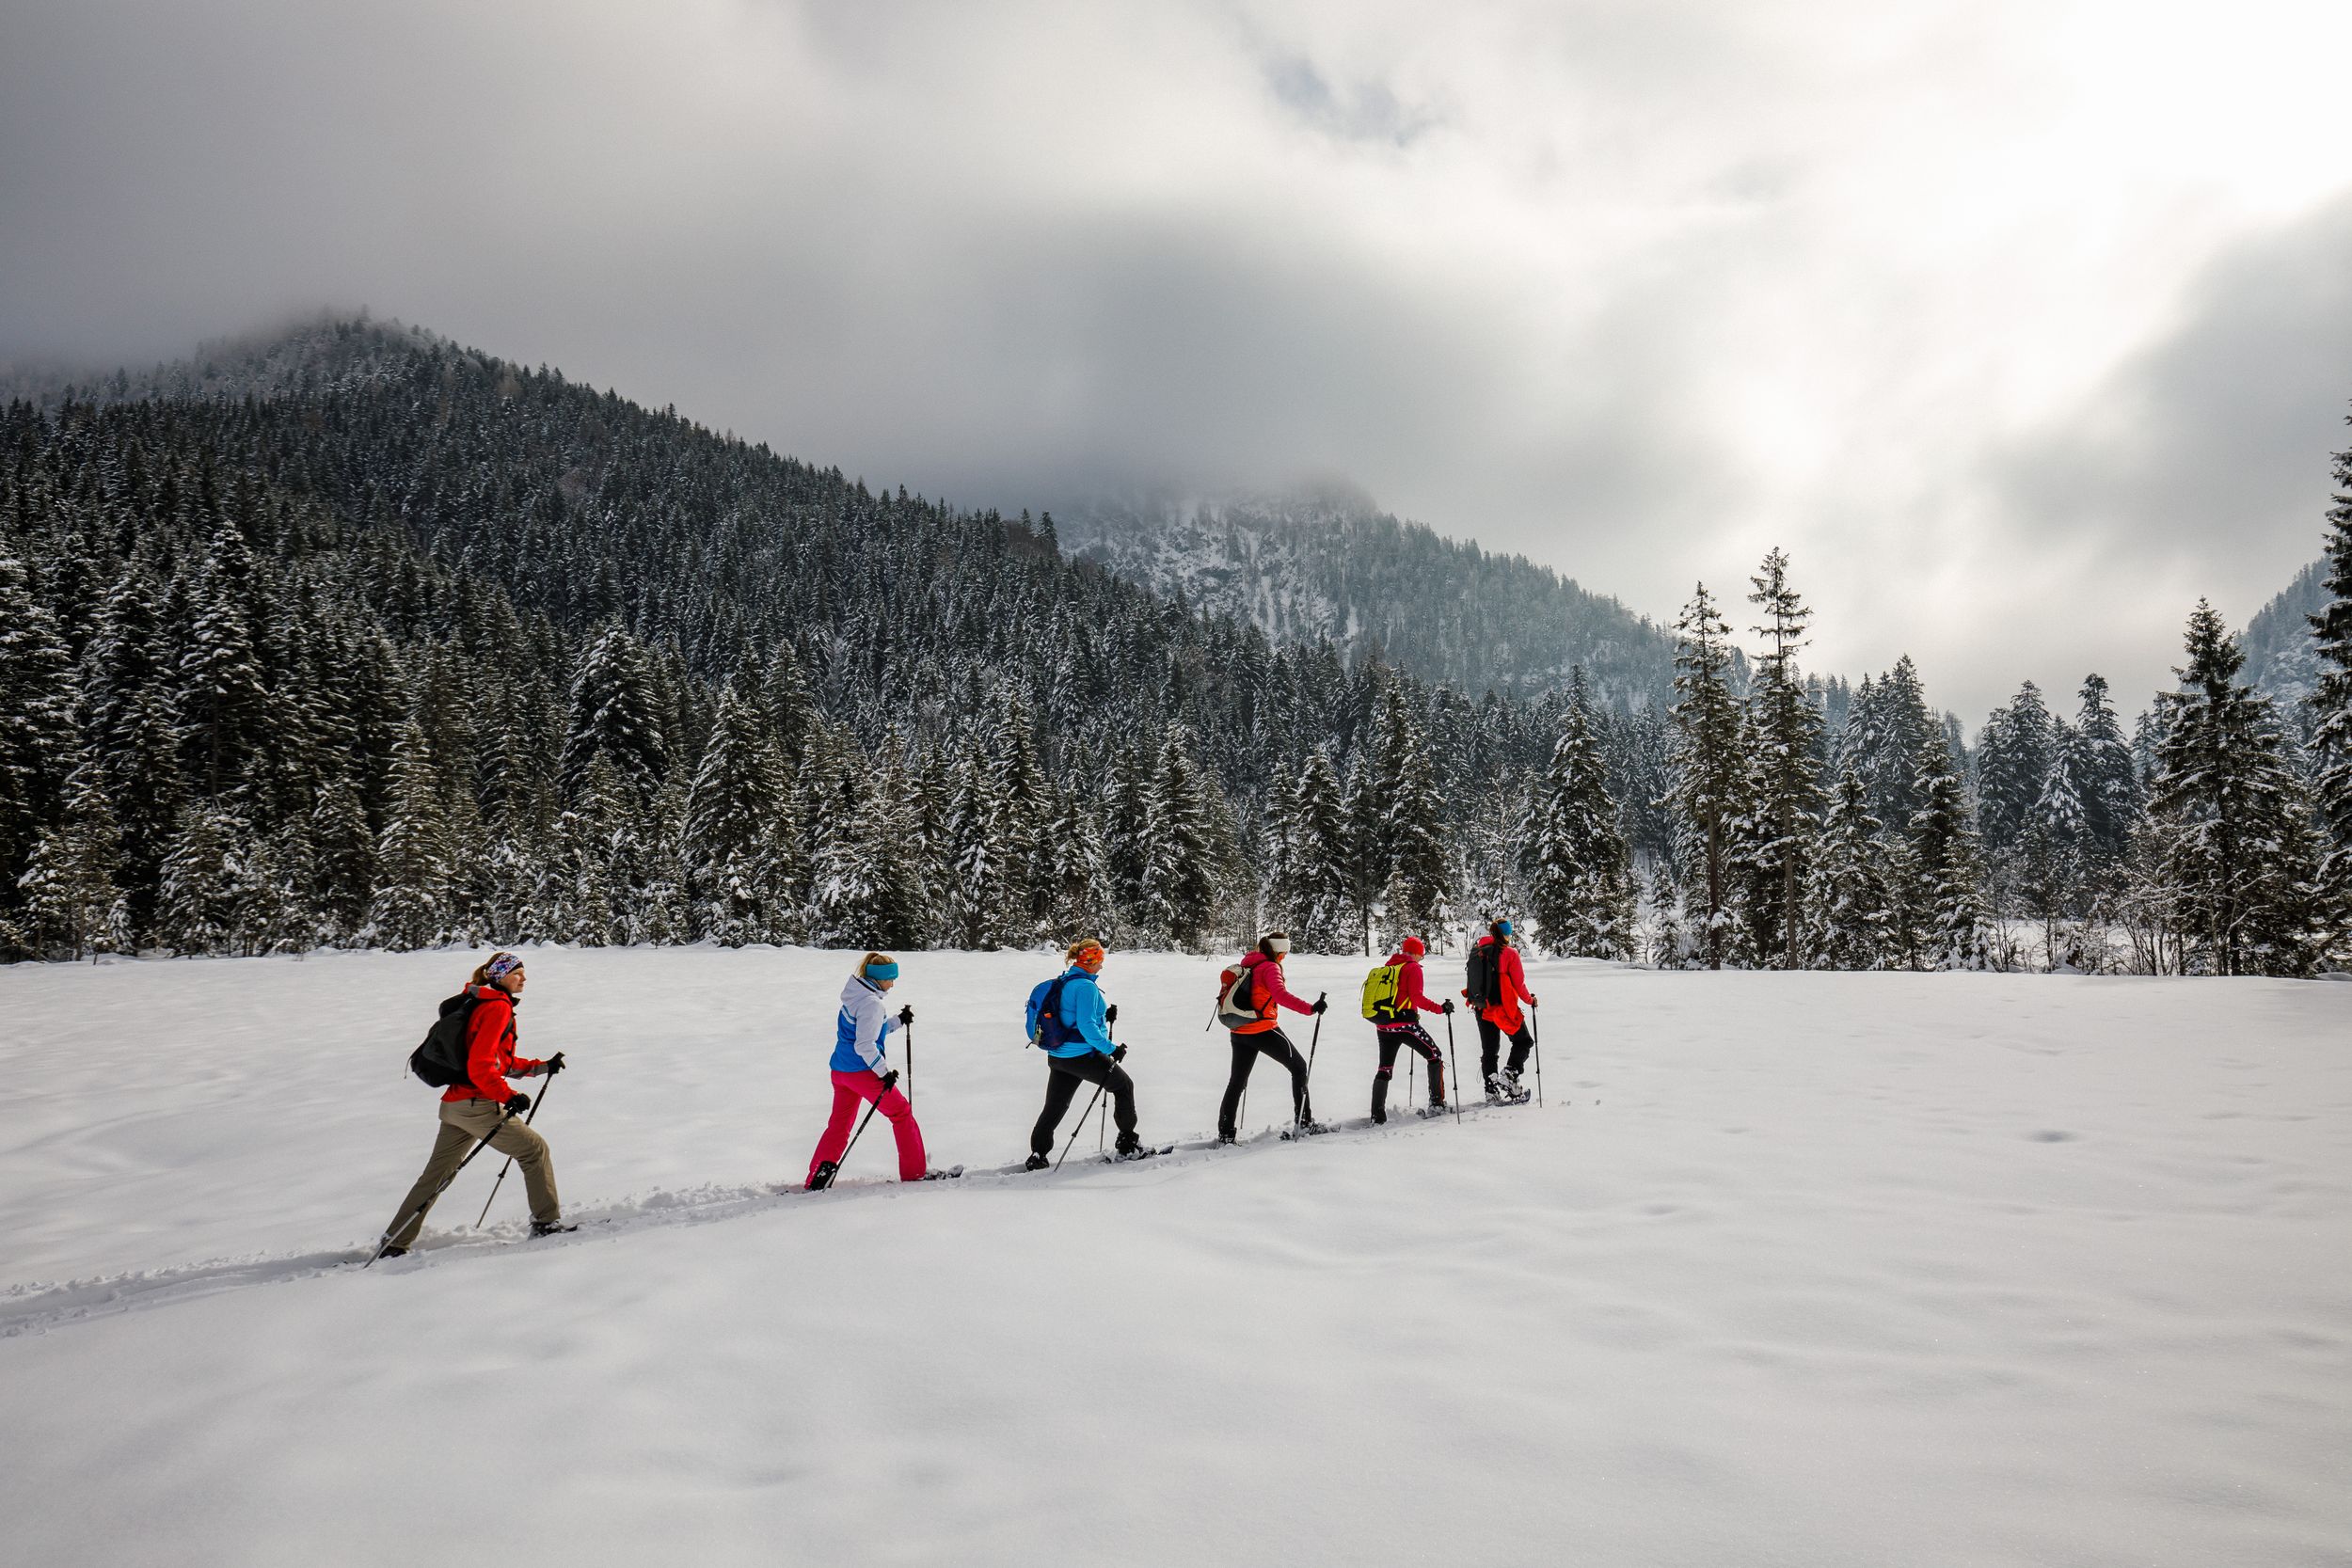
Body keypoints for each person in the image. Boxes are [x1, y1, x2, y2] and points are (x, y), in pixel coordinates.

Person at [379, 952, 571, 1256]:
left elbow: (500, 1061)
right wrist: (508, 1096)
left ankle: (395, 1240)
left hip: (456, 1105)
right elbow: (481, 1067)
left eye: (523, 972)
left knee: (435, 1175)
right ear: (500, 975)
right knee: (535, 1150)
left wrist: (541, 1066)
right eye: (517, 973)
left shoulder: (481, 1002)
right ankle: (546, 1224)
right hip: (478, 1104)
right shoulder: (497, 1008)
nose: (523, 978)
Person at [806, 952, 931, 1188]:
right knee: (901, 1114)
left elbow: (869, 1030)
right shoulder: (872, 1004)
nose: (892, 984)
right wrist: (883, 1073)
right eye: (890, 979)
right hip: (862, 1072)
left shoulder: (855, 996)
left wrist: (898, 1020)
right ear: (878, 978)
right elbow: (865, 1044)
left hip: (841, 1071)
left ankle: (817, 1179)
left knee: (839, 1126)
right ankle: (914, 1173)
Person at [1025, 939, 1149, 1168]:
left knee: (1055, 1105)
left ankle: (1037, 1154)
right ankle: (1128, 1145)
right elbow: (1086, 1026)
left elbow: (1072, 1016)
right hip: (1081, 1056)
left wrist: (1104, 1015)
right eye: (1100, 961)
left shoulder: (1066, 980)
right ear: (1090, 963)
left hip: (1059, 1057)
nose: (1102, 966)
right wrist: (1112, 1049)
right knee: (1124, 1086)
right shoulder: (1086, 987)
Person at [1218, 931, 1327, 1141]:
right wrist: (1310, 1008)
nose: (1285, 957)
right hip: (1262, 1029)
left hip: (1240, 1030)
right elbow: (1280, 995)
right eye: (1284, 953)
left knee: (1237, 1081)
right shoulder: (1270, 967)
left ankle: (1225, 1134)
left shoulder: (1249, 963)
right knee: (1299, 1067)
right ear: (1278, 951)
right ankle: (1304, 1123)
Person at [1366, 935, 1449, 1123]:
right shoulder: (1413, 968)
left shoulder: (1391, 966)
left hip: (1384, 1026)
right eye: (1422, 955)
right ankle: (1437, 1104)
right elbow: (1417, 998)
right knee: (1434, 1055)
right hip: (1405, 1025)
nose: (1422, 959)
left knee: (1385, 1067)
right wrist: (1441, 1008)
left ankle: (1377, 1115)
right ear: (1418, 954)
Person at [1467, 918, 1537, 1103]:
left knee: (1489, 1051)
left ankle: (1491, 1091)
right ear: (1506, 934)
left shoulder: (1478, 951)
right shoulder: (1509, 953)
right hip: (1503, 1008)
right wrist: (1530, 1000)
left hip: (1481, 1008)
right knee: (1524, 1042)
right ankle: (1510, 1074)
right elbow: (1519, 984)